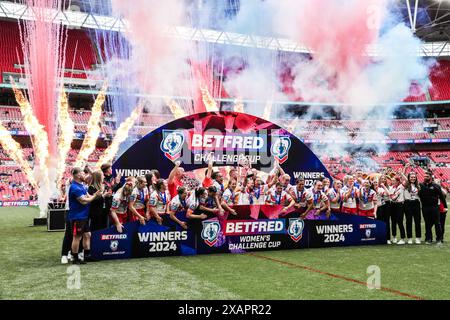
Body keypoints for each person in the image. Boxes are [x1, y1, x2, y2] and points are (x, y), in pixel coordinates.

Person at [67, 167, 102, 264]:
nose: (85, 175)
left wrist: (98, 195)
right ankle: (75, 258)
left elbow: (88, 196)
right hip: (77, 216)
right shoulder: (75, 187)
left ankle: (87, 255)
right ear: (78, 175)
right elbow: (84, 201)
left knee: (87, 235)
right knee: (77, 237)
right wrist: (95, 196)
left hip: (83, 216)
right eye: (83, 173)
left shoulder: (81, 185)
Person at [419, 172, 447, 245]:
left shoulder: (436, 186)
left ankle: (439, 239)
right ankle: (428, 239)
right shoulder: (421, 185)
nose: (425, 177)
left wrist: (445, 206)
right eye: (424, 176)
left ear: (430, 177)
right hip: (425, 208)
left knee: (437, 224)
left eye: (427, 176)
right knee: (427, 224)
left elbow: (442, 197)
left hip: (435, 207)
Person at [403, 171, 422, 244]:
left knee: (417, 221)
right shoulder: (406, 184)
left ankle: (418, 238)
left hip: (416, 203)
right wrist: (403, 171)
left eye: (414, 177)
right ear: (409, 178)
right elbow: (403, 178)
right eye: (411, 177)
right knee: (409, 221)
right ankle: (410, 238)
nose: (413, 178)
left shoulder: (418, 185)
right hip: (408, 203)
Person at [374, 177, 392, 244]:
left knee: (386, 221)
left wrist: (383, 186)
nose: (383, 180)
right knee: (378, 221)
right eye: (382, 179)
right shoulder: (376, 188)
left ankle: (388, 238)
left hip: (386, 205)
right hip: (377, 206)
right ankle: (379, 238)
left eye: (384, 179)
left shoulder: (387, 187)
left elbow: (388, 194)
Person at [389, 176, 406, 245]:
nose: (392, 181)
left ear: (398, 181)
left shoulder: (401, 186)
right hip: (392, 205)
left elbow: (405, 180)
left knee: (400, 221)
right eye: (392, 180)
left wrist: (403, 171)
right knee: (393, 222)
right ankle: (394, 237)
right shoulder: (390, 187)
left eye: (393, 180)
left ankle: (402, 238)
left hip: (400, 205)